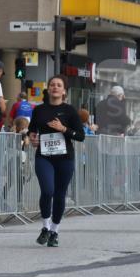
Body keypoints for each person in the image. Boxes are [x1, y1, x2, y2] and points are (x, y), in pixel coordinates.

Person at [28, 75, 85, 248]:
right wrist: (31, 138)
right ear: (48, 89)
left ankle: (55, 231)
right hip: (44, 156)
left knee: (60, 194)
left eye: (58, 85)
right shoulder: (39, 110)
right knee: (47, 190)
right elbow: (31, 131)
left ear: (64, 91)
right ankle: (45, 226)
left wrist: (63, 129)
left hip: (64, 158)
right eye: (52, 85)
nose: (55, 87)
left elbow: (81, 136)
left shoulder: (69, 111)